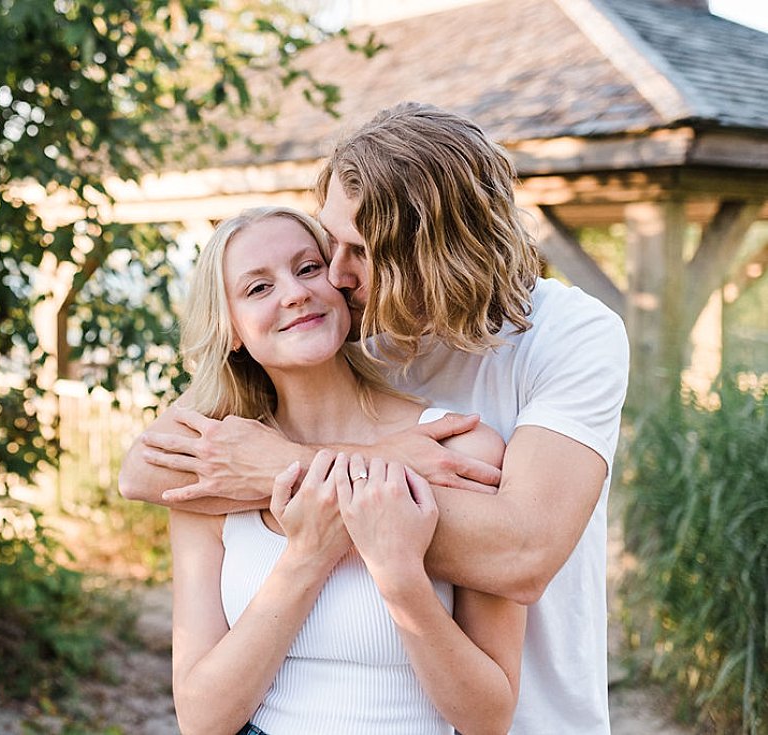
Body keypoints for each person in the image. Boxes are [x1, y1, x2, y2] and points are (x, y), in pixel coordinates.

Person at [120, 102, 630, 734]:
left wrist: (312, 472)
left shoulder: (569, 335)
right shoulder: (358, 320)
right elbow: (144, 474)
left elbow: (523, 555)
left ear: (431, 250)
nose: (331, 275)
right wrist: (377, 467)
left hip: (539, 713)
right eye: (329, 245)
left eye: (354, 251)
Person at [170, 204, 525, 735]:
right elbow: (201, 719)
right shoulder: (217, 468)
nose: (294, 293)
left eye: (308, 268)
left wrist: (400, 576)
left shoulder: (456, 449)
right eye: (258, 288)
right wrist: (308, 556)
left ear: (342, 285)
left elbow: (490, 718)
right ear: (233, 331)